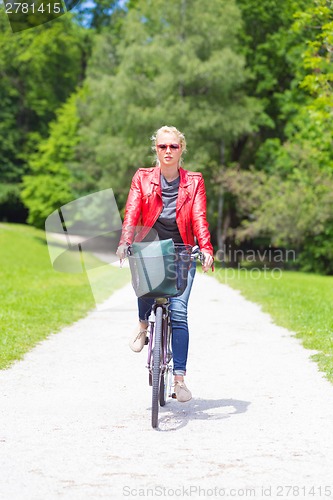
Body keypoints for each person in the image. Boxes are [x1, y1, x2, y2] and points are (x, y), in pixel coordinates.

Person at [116, 125, 214, 402]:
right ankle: (142, 326)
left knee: (179, 311)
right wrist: (125, 241)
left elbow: (199, 216)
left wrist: (205, 248)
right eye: (162, 146)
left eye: (173, 146)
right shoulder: (143, 178)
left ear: (181, 149)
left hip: (182, 248)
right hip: (150, 244)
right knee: (147, 289)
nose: (168, 151)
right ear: (156, 149)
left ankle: (179, 380)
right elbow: (132, 211)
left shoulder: (194, 181)